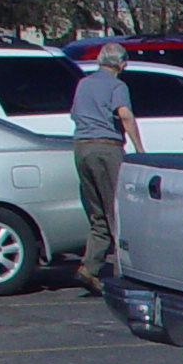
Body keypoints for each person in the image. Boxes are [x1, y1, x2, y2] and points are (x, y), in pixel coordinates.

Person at [69, 43, 141, 291]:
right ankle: (126, 273)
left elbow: (75, 115)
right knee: (116, 211)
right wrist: (139, 149)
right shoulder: (117, 86)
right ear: (121, 63)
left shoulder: (83, 83)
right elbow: (124, 114)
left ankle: (89, 268)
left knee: (97, 211)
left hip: (82, 148)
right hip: (106, 147)